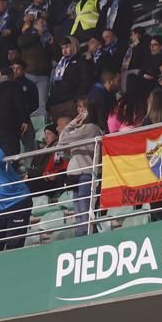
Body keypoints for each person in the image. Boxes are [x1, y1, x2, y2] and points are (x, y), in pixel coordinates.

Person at [57, 99, 104, 236]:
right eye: (78, 108)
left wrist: (70, 125)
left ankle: (88, 239)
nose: (79, 111)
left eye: (82, 108)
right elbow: (62, 148)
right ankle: (81, 239)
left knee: (85, 214)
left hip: (86, 174)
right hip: (75, 175)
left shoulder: (91, 128)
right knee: (78, 215)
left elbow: (62, 140)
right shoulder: (79, 131)